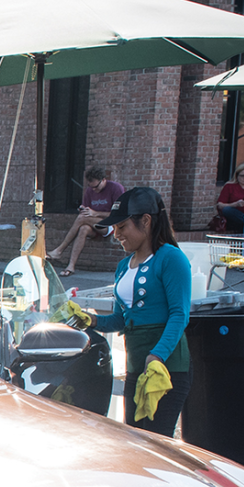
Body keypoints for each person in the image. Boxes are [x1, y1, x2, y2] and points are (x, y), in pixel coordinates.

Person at [82, 186, 192, 436]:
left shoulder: (171, 258)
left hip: (167, 368)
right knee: (133, 439)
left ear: (146, 221)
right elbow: (121, 320)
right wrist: (91, 320)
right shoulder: (123, 266)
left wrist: (157, 356)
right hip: (136, 367)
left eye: (122, 227)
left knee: (156, 443)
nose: (116, 234)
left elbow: (179, 314)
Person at [54, 167, 125, 276]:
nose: (94, 190)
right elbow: (87, 211)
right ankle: (71, 266)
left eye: (96, 187)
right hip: (93, 225)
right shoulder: (90, 191)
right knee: (83, 228)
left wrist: (95, 213)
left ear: (103, 180)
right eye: (91, 187)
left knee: (82, 219)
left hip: (110, 224)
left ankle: (60, 250)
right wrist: (83, 209)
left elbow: (119, 213)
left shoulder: (116, 188)